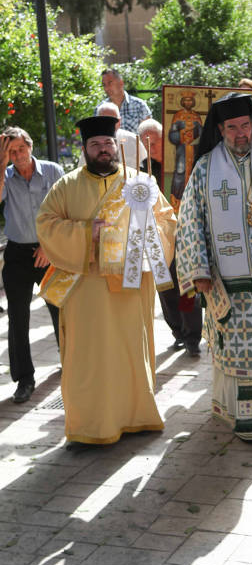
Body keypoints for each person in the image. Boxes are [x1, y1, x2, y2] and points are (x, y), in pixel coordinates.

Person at [36, 116, 177, 445]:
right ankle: (90, 426)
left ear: (117, 146)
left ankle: (137, 416)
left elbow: (167, 222)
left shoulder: (140, 182)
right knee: (89, 357)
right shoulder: (67, 186)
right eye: (95, 145)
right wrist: (88, 232)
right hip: (87, 289)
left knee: (130, 351)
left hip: (130, 285)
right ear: (85, 149)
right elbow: (46, 224)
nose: (103, 150)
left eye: (108, 144)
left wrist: (145, 237)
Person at [176, 93, 252, 441]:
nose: (240, 134)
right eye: (231, 128)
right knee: (236, 351)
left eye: (245, 126)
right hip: (228, 280)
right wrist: (199, 271)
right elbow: (190, 221)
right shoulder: (206, 169)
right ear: (221, 130)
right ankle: (243, 418)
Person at [0, 128, 63, 403]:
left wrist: (49, 246)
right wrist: (1, 164)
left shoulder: (53, 171)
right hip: (16, 253)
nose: (17, 156)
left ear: (30, 146)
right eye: (11, 152)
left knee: (62, 310)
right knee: (17, 317)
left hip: (49, 251)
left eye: (20, 149)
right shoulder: (5, 175)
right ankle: (24, 379)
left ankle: (72, 364)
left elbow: (66, 211)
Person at [139, 119, 203, 357]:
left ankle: (192, 336)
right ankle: (177, 331)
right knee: (165, 289)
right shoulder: (143, 170)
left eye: (155, 141)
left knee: (187, 287)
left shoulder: (182, 163)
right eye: (147, 143)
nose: (152, 146)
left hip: (184, 231)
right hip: (157, 235)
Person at [80, 101, 147, 170]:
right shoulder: (91, 143)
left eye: (112, 120)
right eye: (104, 120)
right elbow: (82, 170)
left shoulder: (133, 140)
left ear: (119, 121)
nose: (108, 124)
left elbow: (146, 165)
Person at [168, 90, 204, 213]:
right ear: (182, 102)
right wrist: (182, 135)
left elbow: (202, 135)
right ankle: (176, 202)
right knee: (180, 172)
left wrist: (194, 137)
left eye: (190, 100)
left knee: (195, 172)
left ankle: (194, 201)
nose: (188, 102)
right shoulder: (177, 116)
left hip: (194, 150)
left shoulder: (196, 117)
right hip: (182, 150)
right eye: (186, 100)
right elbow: (172, 135)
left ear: (193, 102)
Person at [98, 68, 152, 133]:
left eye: (110, 83)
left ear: (121, 83)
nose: (106, 88)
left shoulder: (139, 105)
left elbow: (149, 133)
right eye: (104, 85)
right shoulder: (100, 109)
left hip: (135, 143)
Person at [138, 118, 163, 182]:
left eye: (153, 143)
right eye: (146, 145)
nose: (151, 149)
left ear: (162, 139)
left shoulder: (176, 160)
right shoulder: (143, 167)